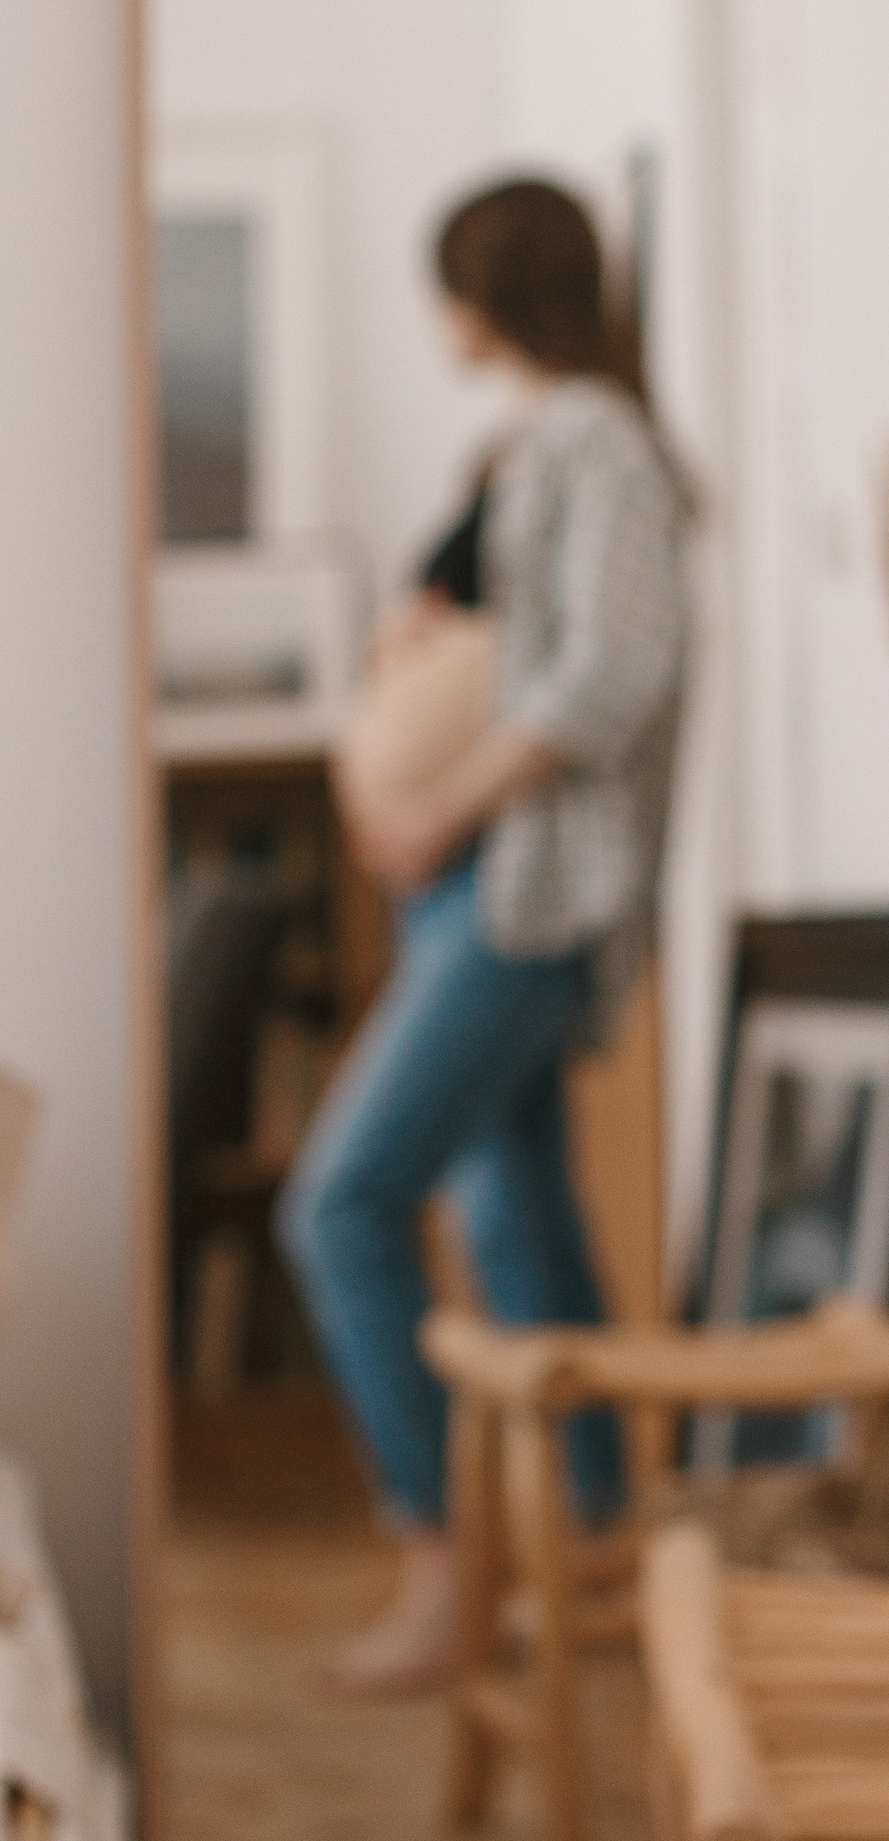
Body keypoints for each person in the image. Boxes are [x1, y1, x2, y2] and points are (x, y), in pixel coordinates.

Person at [279, 176, 688, 1696]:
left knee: (341, 1205)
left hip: (524, 897)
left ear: (486, 295)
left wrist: (443, 801)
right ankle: (586, 1547)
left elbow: (608, 675)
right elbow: (523, 640)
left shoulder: (598, 444)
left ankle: (446, 1566)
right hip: (480, 888)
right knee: (523, 1226)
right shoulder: (537, 445)